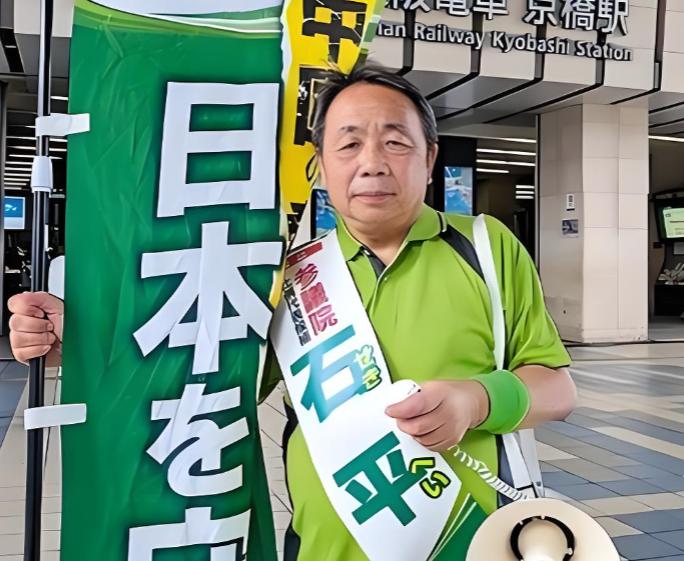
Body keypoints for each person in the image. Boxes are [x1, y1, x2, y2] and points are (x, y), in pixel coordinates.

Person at [8, 64, 576, 561]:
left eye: (395, 142)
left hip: (476, 543)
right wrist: (74, 344)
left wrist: (475, 400)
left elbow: (556, 388)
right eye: (348, 145)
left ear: (429, 158)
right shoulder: (288, 275)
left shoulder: (486, 246)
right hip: (322, 546)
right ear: (320, 168)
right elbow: (205, 378)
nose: (372, 163)